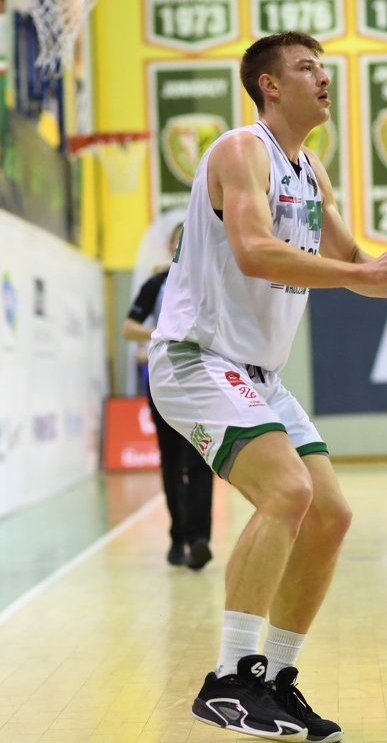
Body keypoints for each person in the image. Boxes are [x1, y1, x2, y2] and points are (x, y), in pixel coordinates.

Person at [148, 31, 387, 742]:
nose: (324, 79)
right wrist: (362, 273)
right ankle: (228, 681)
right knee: (287, 492)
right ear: (270, 85)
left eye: (324, 68)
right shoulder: (240, 150)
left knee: (330, 514)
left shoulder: (311, 172)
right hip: (196, 358)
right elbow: (253, 252)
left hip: (257, 374)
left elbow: (354, 262)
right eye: (307, 68)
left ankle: (274, 680)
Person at [123, 222, 215, 570]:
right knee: (172, 461)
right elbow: (128, 328)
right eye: (180, 241)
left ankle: (199, 539)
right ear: (170, 245)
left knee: (202, 458)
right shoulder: (157, 284)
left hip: (203, 380)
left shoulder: (211, 282)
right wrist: (161, 333)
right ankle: (178, 536)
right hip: (163, 380)